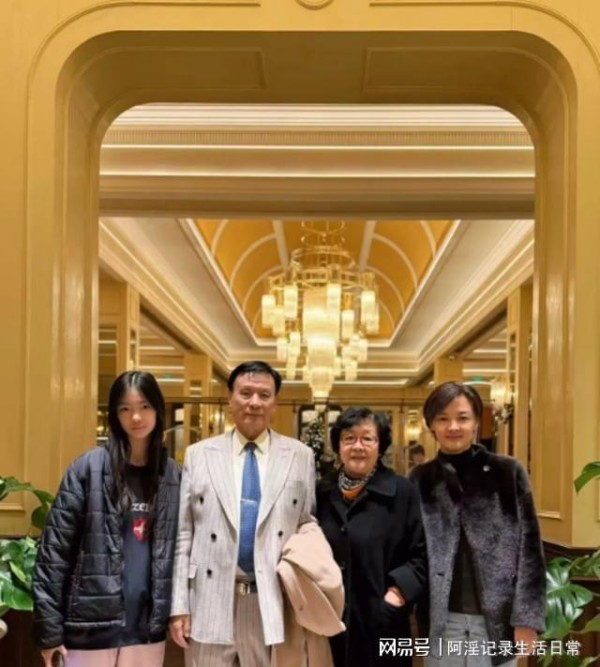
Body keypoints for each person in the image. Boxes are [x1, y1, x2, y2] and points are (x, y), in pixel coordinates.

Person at [169, 360, 316, 667]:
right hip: (209, 597)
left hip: (272, 599)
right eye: (245, 393)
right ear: (230, 399)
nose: (254, 402)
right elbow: (184, 533)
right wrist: (179, 605)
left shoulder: (300, 456)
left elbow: (306, 527)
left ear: (275, 403)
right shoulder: (199, 454)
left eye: (264, 395)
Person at [33, 371, 181, 667]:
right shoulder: (87, 468)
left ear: (157, 410)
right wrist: (49, 631)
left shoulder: (173, 476)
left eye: (144, 407)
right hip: (89, 631)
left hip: (146, 631)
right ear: (115, 415)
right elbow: (53, 554)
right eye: (125, 409)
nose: (136, 417)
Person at [410, 382, 546, 667]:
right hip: (440, 620)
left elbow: (530, 551)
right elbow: (410, 548)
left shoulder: (507, 472)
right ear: (431, 425)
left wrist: (527, 619)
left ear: (475, 422)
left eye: (462, 418)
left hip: (498, 621)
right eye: (443, 419)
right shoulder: (419, 479)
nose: (453, 427)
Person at [316, 407, 427, 666]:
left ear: (380, 445)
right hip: (329, 620)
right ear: (338, 445)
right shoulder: (322, 491)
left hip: (383, 622)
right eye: (349, 438)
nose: (358, 446)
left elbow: (422, 554)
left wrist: (397, 594)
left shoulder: (402, 492)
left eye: (367, 438)